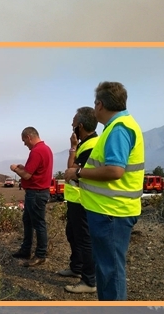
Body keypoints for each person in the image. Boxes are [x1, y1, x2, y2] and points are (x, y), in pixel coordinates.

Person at [64, 81, 144, 301]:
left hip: (112, 213)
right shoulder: (117, 127)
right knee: (107, 269)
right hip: (108, 211)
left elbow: (115, 171)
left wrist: (78, 173)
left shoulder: (119, 129)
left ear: (99, 104)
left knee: (111, 272)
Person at [60, 107, 98, 294]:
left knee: (84, 239)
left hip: (85, 200)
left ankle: (89, 280)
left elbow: (70, 171)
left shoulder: (90, 145)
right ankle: (76, 268)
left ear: (80, 126)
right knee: (72, 234)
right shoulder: (87, 143)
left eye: (73, 124)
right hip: (77, 199)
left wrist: (73, 148)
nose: (71, 127)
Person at [9, 127, 53, 267]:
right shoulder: (45, 149)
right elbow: (33, 171)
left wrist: (15, 168)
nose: (24, 144)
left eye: (24, 141)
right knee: (27, 220)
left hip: (36, 193)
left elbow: (27, 175)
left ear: (29, 137)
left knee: (38, 224)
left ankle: (40, 254)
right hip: (37, 192)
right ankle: (26, 249)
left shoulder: (37, 151)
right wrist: (24, 167)